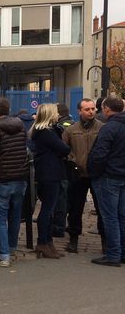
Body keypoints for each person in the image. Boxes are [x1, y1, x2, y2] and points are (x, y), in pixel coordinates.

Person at [0, 97, 29, 267]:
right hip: (20, 178)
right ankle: (12, 247)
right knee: (15, 215)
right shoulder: (20, 127)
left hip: (0, 179)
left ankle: (4, 255)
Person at [62, 98, 104, 253]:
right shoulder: (71, 130)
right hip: (78, 174)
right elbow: (64, 149)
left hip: (97, 174)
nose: (91, 112)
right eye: (87, 109)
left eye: (93, 109)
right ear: (80, 111)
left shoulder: (102, 128)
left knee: (102, 209)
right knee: (75, 208)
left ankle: (105, 240)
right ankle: (73, 239)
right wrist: (72, 161)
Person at [87, 96, 125, 267]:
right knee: (121, 216)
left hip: (109, 176)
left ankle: (113, 254)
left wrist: (94, 172)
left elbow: (99, 154)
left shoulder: (109, 128)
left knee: (110, 217)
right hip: (121, 175)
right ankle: (121, 252)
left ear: (107, 109)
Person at [30, 104, 71, 259]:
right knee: (47, 209)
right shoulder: (45, 132)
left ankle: (47, 241)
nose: (58, 115)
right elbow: (64, 149)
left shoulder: (45, 131)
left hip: (49, 173)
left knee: (50, 209)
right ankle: (43, 241)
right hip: (49, 174)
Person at [51, 103, 76, 238]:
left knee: (61, 198)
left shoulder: (62, 127)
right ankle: (66, 225)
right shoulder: (73, 123)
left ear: (58, 114)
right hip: (72, 166)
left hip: (64, 166)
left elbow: (62, 147)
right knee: (68, 198)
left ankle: (58, 227)